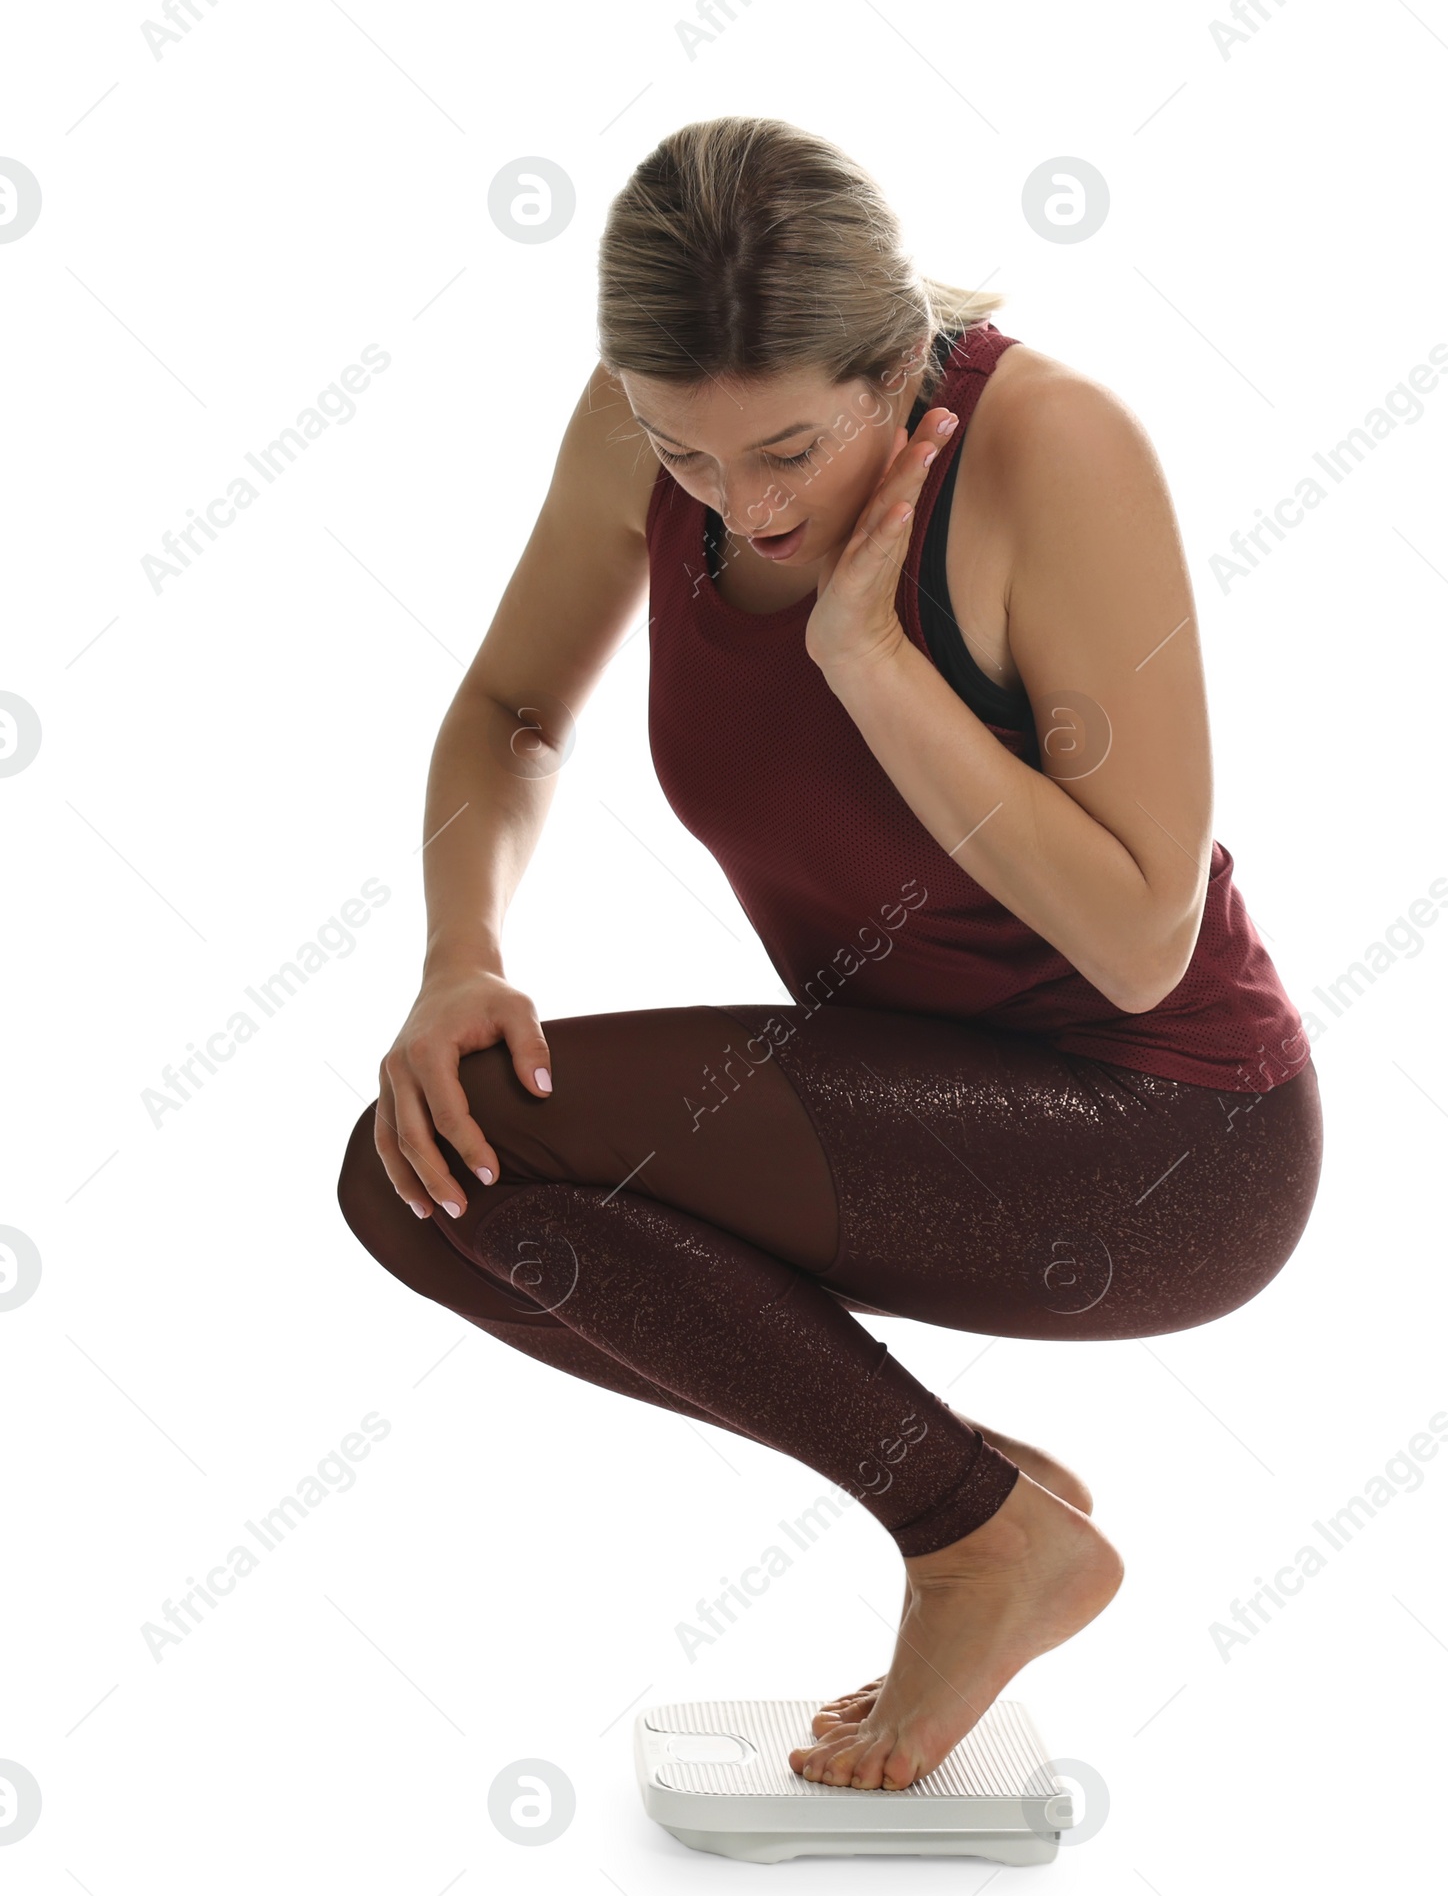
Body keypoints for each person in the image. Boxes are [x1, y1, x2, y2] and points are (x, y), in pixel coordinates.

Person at [337, 115, 1322, 1794]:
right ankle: (966, 1496)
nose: (746, 503)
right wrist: (457, 954)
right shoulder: (644, 432)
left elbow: (1145, 939)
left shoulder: (1053, 451)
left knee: (472, 1148)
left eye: (790, 447)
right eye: (691, 456)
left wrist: (876, 664)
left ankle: (972, 1540)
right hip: (917, 1105)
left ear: (894, 365)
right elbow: (510, 712)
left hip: (1169, 1137)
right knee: (418, 1172)